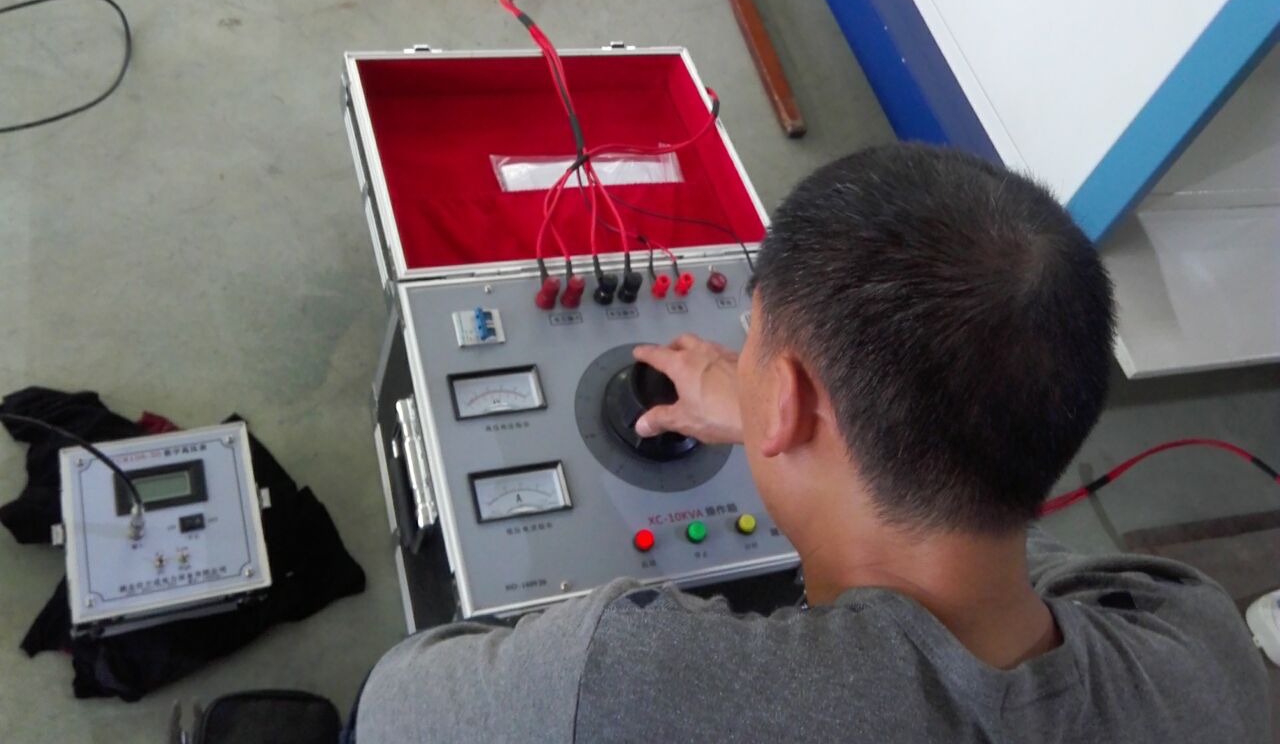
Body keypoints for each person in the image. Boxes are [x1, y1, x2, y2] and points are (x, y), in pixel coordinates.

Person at [352, 144, 1269, 743]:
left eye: (750, 339)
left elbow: (392, 705)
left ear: (786, 402)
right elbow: (1002, 551)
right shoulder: (1199, 642)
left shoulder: (625, 684)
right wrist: (774, 409)